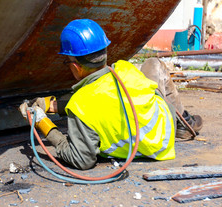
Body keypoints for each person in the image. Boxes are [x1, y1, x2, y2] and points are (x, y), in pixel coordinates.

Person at [19, 19, 203, 170]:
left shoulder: (82, 105)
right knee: (154, 64)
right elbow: (105, 97)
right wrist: (53, 105)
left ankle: (181, 126)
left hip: (157, 147)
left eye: (67, 62)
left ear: (75, 67)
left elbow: (82, 159)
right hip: (165, 116)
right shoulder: (124, 68)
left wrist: (43, 123)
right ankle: (182, 122)